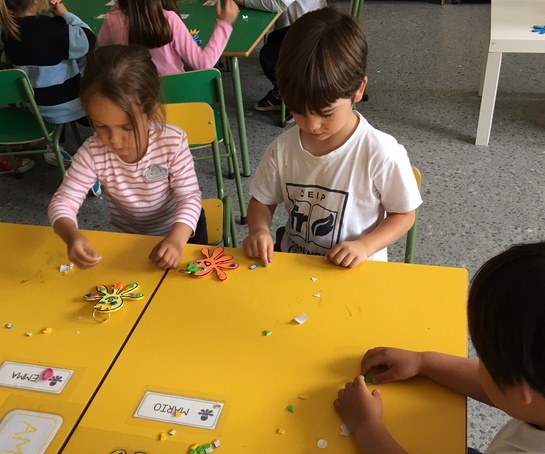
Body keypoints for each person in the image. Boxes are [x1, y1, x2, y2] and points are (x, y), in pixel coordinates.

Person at [335, 241, 545, 454]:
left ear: (521, 389)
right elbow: (502, 392)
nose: (478, 364)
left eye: (485, 358)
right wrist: (423, 362)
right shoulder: (540, 398)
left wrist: (367, 424)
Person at [243, 8, 421, 268]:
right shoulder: (282, 149)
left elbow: (404, 214)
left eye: (325, 113)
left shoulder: (381, 152)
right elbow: (262, 201)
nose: (312, 125)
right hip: (295, 266)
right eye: (298, 111)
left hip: (355, 272)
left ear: (358, 89)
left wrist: (365, 246)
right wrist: (259, 230)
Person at [48, 45, 206, 270]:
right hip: (132, 237)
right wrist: (71, 235)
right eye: (101, 126)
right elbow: (63, 202)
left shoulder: (172, 141)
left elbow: (189, 197)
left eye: (127, 127)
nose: (115, 140)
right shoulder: (92, 152)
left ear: (150, 112)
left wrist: (176, 240)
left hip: (184, 231)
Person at [0, 0, 96, 167]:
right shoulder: (55, 29)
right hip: (72, 105)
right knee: (94, 83)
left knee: (47, 80)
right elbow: (88, 39)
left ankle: (53, 146)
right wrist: (64, 13)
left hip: (36, 107)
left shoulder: (6, 31)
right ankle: (100, 146)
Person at [234, 0, 325, 123]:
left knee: (268, 56)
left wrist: (244, 1)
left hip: (312, 34)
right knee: (274, 38)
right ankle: (282, 92)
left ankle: (297, 98)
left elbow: (278, 4)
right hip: (314, 23)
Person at [97, 0, 238, 76]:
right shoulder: (168, 19)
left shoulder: (112, 19)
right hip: (175, 97)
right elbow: (204, 64)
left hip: (136, 99)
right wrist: (224, 24)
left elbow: (103, 47)